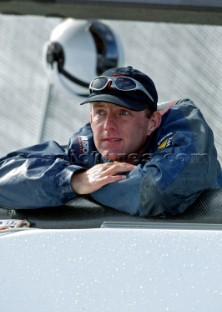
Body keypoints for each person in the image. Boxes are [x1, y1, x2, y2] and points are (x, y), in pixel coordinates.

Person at [0, 66, 222, 217]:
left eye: (123, 113)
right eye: (100, 112)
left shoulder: (186, 139)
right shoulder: (85, 151)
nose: (108, 125)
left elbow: (156, 193)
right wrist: (74, 180)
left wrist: (87, 187)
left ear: (152, 122)